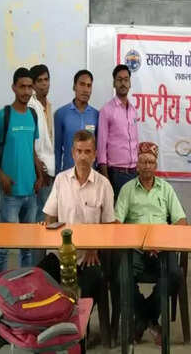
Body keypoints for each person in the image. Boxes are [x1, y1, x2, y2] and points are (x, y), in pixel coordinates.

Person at [114, 142, 187, 345]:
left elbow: (181, 221)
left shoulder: (166, 189)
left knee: (175, 275)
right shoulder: (127, 190)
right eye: (143, 162)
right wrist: (136, 242)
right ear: (137, 165)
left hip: (162, 248)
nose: (147, 166)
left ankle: (142, 321)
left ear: (156, 165)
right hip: (135, 249)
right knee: (120, 279)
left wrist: (162, 242)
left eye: (151, 162)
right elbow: (117, 224)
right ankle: (151, 321)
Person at [36, 130, 116, 301]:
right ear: (73, 153)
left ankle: (80, 318)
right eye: (79, 151)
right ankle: (55, 315)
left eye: (87, 152)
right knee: (39, 277)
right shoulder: (61, 180)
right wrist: (48, 231)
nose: (83, 157)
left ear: (94, 154)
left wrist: (94, 248)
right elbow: (50, 216)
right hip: (61, 253)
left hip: (89, 255)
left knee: (92, 283)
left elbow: (109, 226)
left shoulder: (104, 185)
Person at [0, 67, 43, 274]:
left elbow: (31, 150)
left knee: (27, 247)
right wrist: (1, 177)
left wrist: (39, 176)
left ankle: (25, 283)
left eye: (29, 87)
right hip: (10, 194)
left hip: (31, 192)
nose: (26, 91)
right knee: (4, 247)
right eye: (22, 87)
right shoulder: (3, 115)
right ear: (14, 88)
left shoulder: (33, 115)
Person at [97, 65, 138, 198]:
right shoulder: (106, 110)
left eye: (126, 80)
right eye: (119, 80)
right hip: (116, 174)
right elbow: (101, 147)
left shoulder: (133, 111)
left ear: (130, 83)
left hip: (134, 172)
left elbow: (135, 142)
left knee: (132, 210)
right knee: (116, 210)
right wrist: (105, 178)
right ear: (114, 83)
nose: (123, 83)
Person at [28, 64, 55, 265]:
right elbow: (31, 143)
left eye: (46, 79)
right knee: (39, 221)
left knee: (46, 220)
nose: (44, 84)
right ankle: (35, 267)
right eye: (39, 81)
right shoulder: (31, 106)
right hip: (40, 171)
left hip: (50, 168)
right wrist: (40, 171)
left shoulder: (48, 105)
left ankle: (40, 266)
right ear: (33, 84)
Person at [54, 69, 99, 174]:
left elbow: (98, 147)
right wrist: (57, 174)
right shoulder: (61, 114)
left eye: (89, 86)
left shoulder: (96, 115)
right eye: (82, 84)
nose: (86, 89)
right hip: (68, 174)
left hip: (90, 174)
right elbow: (57, 149)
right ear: (74, 87)